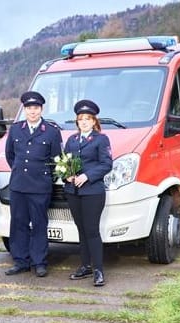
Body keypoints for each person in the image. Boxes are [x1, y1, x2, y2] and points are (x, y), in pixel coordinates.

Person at [4, 91, 62, 277]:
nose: (32, 111)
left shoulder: (51, 132)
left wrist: (43, 176)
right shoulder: (15, 129)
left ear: (41, 109)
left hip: (40, 186)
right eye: (29, 108)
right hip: (19, 185)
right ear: (24, 110)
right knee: (18, 223)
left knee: (39, 224)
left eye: (35, 108)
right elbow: (10, 155)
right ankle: (20, 261)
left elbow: (56, 160)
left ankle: (39, 262)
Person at [64, 100, 112, 287]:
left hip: (92, 191)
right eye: (80, 119)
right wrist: (66, 175)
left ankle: (98, 270)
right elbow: (65, 161)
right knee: (81, 230)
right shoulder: (72, 140)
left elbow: (106, 164)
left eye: (87, 119)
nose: (83, 122)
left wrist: (87, 176)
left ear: (94, 121)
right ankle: (85, 266)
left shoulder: (101, 139)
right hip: (73, 192)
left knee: (92, 230)